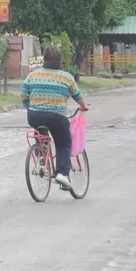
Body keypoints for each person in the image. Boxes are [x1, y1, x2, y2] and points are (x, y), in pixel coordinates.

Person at [21, 46, 89, 191]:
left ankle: (41, 158)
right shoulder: (66, 77)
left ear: (44, 59)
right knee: (64, 143)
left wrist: (29, 108)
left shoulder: (33, 75)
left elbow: (24, 94)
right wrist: (83, 106)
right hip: (57, 117)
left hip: (34, 115)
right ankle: (62, 174)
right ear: (60, 60)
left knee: (41, 133)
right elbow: (77, 95)